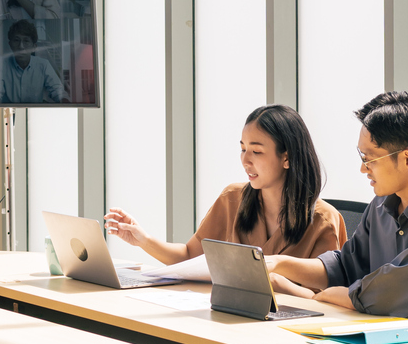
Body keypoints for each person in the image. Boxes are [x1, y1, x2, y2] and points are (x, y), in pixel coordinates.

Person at [266, 92, 408, 326]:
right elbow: (347, 266)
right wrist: (278, 263)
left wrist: (347, 297)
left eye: (370, 159)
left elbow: (400, 289)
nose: (362, 168)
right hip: (387, 338)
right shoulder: (381, 205)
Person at [105, 105, 345, 285]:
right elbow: (190, 257)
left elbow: (325, 298)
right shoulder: (232, 199)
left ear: (286, 157)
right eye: (242, 148)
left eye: (257, 151)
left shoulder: (324, 221)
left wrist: (273, 281)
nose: (245, 160)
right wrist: (143, 240)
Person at [0, 20, 67, 105]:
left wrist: (65, 102)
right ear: (10, 44)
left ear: (34, 47)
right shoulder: (0, 63)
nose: (21, 46)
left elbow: (58, 91)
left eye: (26, 41)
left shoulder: (43, 65)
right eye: (16, 40)